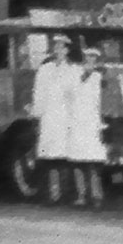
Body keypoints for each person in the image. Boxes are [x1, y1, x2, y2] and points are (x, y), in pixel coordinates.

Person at [31, 33, 80, 203]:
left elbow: (76, 95)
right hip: (49, 117)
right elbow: (39, 93)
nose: (58, 50)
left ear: (67, 50)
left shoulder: (73, 70)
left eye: (61, 47)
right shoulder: (45, 69)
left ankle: (67, 193)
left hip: (66, 117)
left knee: (65, 157)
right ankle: (54, 194)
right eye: (56, 47)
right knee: (50, 158)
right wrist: (37, 114)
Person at [69, 46, 107, 209]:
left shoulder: (98, 77)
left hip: (92, 123)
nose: (90, 60)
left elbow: (99, 102)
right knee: (78, 162)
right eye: (88, 57)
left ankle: (96, 196)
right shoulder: (76, 75)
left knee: (92, 163)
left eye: (93, 58)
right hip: (78, 122)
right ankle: (81, 195)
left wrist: (100, 124)